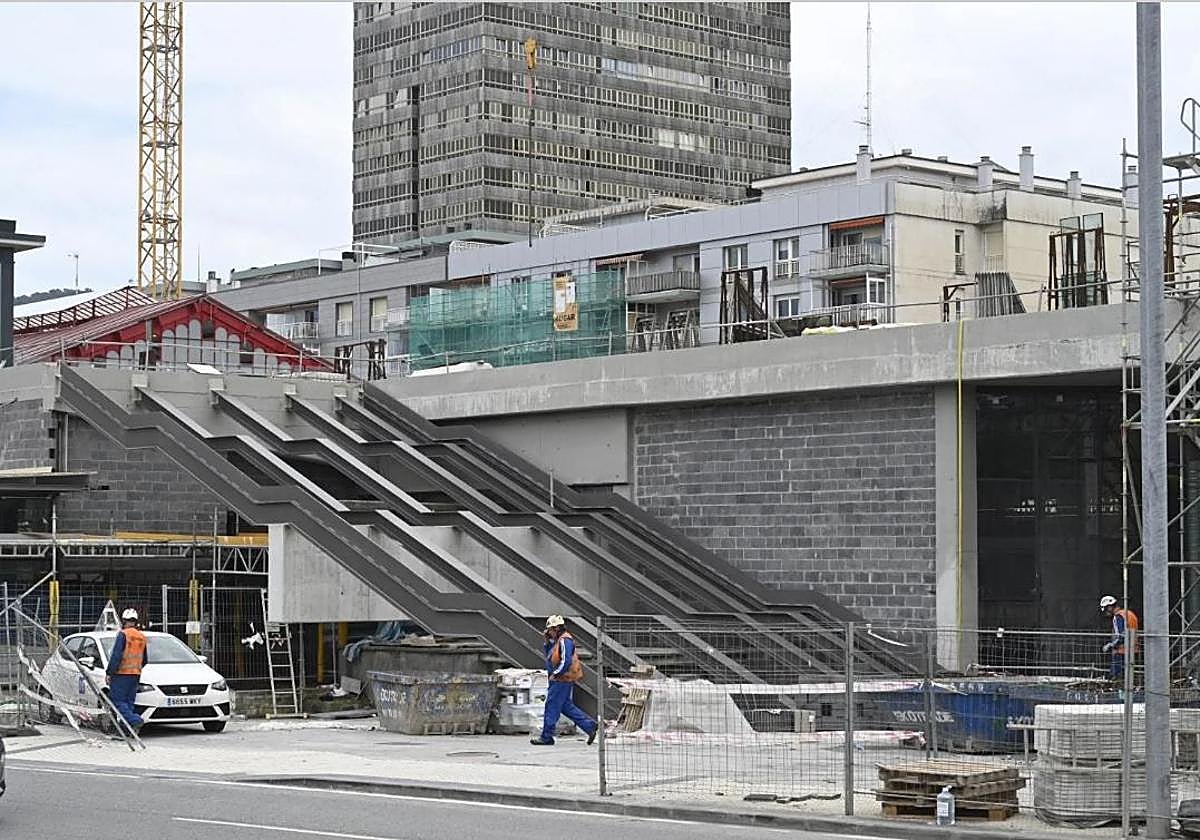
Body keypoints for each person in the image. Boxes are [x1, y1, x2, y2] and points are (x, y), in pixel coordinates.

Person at [530, 615, 597, 746]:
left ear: (555, 629)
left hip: (561, 679)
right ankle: (589, 726)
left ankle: (547, 736)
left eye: (549, 630)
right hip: (560, 679)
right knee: (566, 707)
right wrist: (548, 642)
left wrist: (556, 673)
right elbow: (551, 656)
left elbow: (565, 661)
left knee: (551, 706)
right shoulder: (558, 640)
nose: (548, 632)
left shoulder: (565, 640)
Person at [106, 608, 148, 734]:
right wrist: (136, 667)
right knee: (129, 703)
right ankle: (125, 730)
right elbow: (145, 659)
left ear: (124, 621)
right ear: (135, 621)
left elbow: (116, 656)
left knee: (117, 701)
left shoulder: (123, 634)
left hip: (121, 674)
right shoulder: (141, 637)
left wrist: (109, 673)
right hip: (135, 674)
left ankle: (135, 720)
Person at [1100, 595, 1139, 680]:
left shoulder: (1118, 617)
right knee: (1129, 677)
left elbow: (1121, 636)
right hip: (1133, 650)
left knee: (1117, 678)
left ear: (1110, 607)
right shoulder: (1129, 614)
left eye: (1106, 610)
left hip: (1121, 652)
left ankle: (1119, 692)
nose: (1106, 613)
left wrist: (1110, 645)